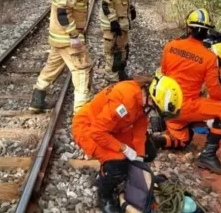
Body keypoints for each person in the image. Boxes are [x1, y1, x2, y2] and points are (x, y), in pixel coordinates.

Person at [72, 75, 184, 213]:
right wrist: (123, 148)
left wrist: (140, 157)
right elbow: (97, 132)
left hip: (113, 128)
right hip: (88, 128)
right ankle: (104, 193)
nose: (154, 112)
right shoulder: (124, 101)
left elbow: (139, 128)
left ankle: (127, 174)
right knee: (118, 162)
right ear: (151, 99)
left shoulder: (142, 98)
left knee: (149, 151)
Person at [152, 9, 221, 174]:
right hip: (186, 107)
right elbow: (215, 94)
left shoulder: (171, 46)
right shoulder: (209, 58)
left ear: (188, 28)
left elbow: (163, 74)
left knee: (184, 140)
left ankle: (160, 139)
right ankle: (208, 155)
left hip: (164, 105)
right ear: (207, 32)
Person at [29, 0, 100, 115]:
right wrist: (74, 35)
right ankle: (81, 114)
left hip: (59, 37)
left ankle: (37, 100)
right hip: (67, 37)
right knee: (82, 69)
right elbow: (63, 11)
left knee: (52, 67)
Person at [100, 0, 136, 82]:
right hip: (113, 22)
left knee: (123, 48)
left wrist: (130, 8)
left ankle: (120, 73)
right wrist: (113, 22)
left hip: (122, 20)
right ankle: (112, 78)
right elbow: (106, 4)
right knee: (111, 50)